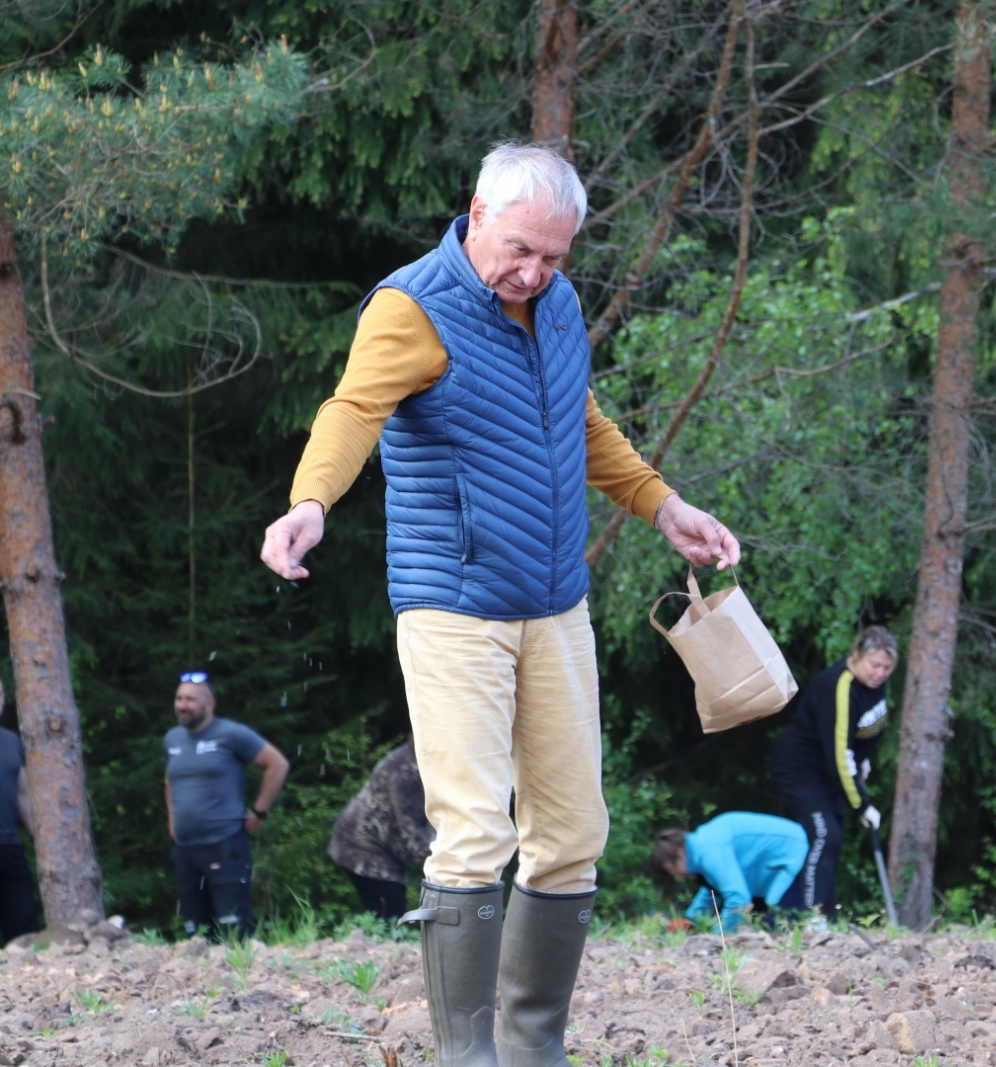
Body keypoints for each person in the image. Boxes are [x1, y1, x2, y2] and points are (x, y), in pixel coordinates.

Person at [258, 142, 740, 1067]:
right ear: (475, 214)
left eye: (555, 257)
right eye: (521, 249)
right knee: (474, 829)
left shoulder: (552, 304)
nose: (536, 272)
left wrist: (662, 503)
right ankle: (466, 1056)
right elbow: (353, 410)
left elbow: (581, 419)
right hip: (455, 608)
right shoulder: (413, 306)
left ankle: (531, 1050)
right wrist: (310, 503)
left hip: (556, 605)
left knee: (571, 835)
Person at [767, 626, 897, 925]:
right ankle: (810, 918)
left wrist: (863, 764)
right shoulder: (840, 687)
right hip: (800, 768)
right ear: (856, 656)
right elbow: (839, 752)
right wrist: (862, 804)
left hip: (829, 772)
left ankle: (826, 918)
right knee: (826, 836)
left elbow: (863, 733)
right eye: (874, 665)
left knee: (831, 840)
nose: (880, 673)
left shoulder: (876, 685)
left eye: (887, 668)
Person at [164, 672, 290, 941]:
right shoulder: (172, 739)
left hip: (225, 846)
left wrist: (259, 812)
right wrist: (172, 818)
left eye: (190, 700)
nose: (183, 705)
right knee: (196, 936)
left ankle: (243, 980)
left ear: (210, 705)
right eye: (179, 698)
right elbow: (170, 777)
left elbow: (277, 764)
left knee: (235, 933)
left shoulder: (231, 734)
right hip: (186, 850)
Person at [646, 813, 810, 931]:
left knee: (781, 927)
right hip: (780, 861)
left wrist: (718, 939)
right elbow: (712, 890)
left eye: (673, 868)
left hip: (794, 854)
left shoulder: (708, 848)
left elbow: (739, 899)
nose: (676, 875)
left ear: (679, 850)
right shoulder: (701, 845)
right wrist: (690, 921)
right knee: (762, 925)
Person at [329, 739, 432, 921]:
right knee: (391, 916)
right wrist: (447, 865)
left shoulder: (424, 761)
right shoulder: (407, 769)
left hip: (377, 844)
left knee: (390, 914)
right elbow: (411, 832)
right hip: (364, 845)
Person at [0, 681, 38, 945]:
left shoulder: (11, 741)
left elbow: (23, 795)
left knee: (24, 929)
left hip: (9, 847)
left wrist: (41, 839)